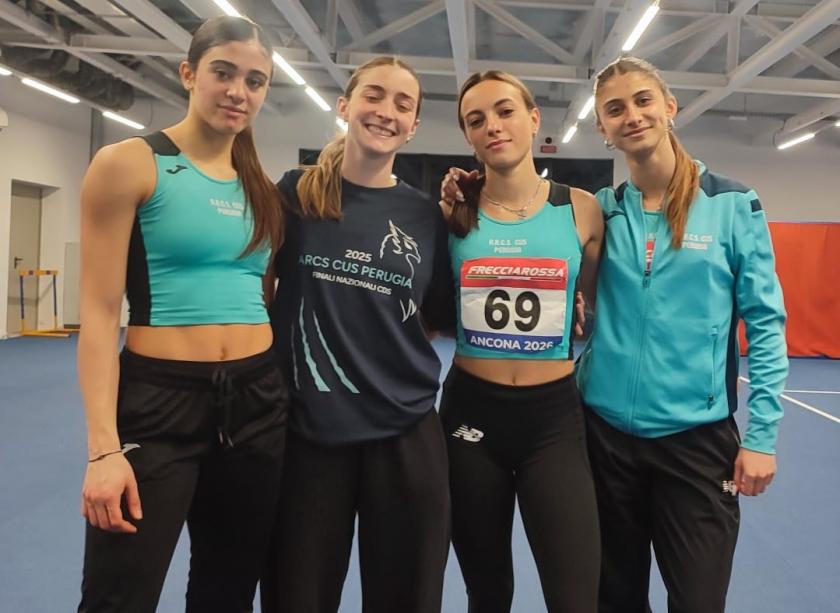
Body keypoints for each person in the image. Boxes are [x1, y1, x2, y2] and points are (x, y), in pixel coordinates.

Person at [76, 16, 287, 612]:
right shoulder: (129, 163)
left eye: (255, 81)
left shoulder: (261, 188)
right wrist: (103, 450)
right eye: (223, 73)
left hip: (257, 404)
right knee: (119, 595)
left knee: (227, 592)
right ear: (189, 73)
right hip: (159, 405)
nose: (238, 92)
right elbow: (98, 315)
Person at [576, 56, 788, 612]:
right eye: (615, 109)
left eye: (643, 100)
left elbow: (766, 323)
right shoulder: (602, 210)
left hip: (696, 442)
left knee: (697, 601)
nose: (632, 115)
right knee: (612, 599)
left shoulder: (732, 204)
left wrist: (762, 436)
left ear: (669, 107)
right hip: (605, 439)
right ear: (602, 127)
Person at [260, 56, 455, 613]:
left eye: (402, 104)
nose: (386, 111)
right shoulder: (295, 194)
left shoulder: (424, 216)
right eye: (374, 95)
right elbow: (256, 285)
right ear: (344, 106)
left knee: (406, 597)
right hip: (309, 430)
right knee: (296, 595)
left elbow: (438, 313)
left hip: (403, 429)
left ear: (413, 126)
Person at [440, 70, 604, 613]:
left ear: (534, 120)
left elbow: (592, 300)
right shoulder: (451, 211)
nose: (493, 125)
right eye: (476, 119)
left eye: (505, 111)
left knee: (575, 595)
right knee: (487, 594)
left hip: (552, 421)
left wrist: (575, 306)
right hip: (471, 417)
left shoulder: (581, 209)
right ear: (468, 137)